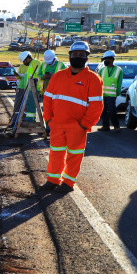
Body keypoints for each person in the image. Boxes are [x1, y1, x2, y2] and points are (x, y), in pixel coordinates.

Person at [38, 41, 103, 194]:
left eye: (81, 55)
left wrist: (83, 125)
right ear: (70, 56)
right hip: (57, 124)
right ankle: (53, 180)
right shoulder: (58, 76)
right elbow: (47, 99)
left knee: (74, 155)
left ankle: (68, 183)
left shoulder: (93, 79)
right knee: (56, 153)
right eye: (75, 54)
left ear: (87, 57)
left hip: (77, 126)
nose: (78, 57)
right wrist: (49, 120)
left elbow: (96, 106)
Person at [95, 50, 123, 132]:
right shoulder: (102, 70)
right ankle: (105, 126)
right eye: (104, 59)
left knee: (112, 110)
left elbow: (119, 82)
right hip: (102, 94)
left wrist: (118, 92)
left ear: (112, 60)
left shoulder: (119, 70)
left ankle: (116, 126)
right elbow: (98, 81)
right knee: (103, 111)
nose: (105, 61)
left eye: (107, 59)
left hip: (112, 95)